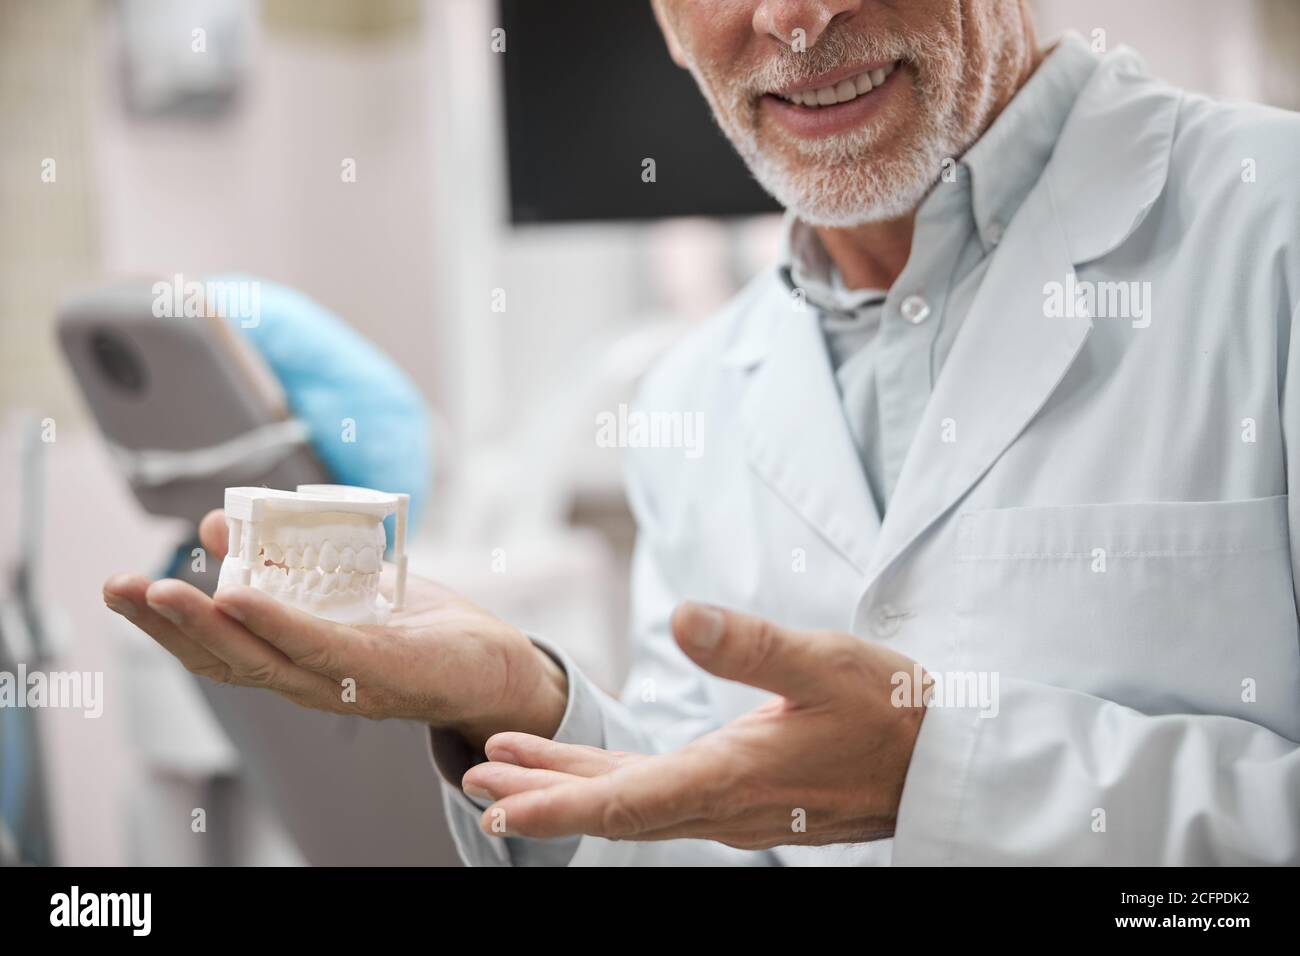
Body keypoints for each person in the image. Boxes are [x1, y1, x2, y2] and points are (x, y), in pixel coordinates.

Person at [104, 0, 1300, 865]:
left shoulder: (1269, 233)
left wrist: (956, 772)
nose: (793, 16)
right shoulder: (695, 398)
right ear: (667, 22)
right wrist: (529, 702)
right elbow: (711, 834)